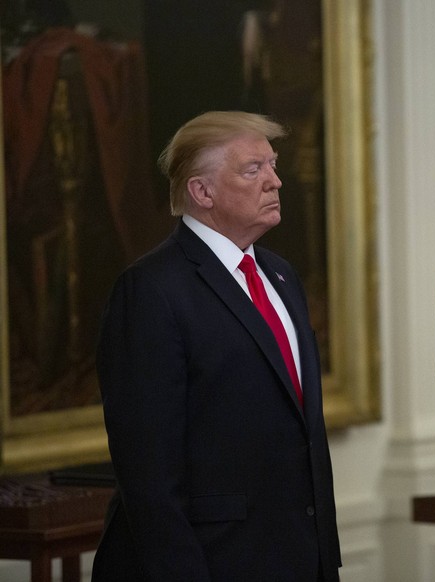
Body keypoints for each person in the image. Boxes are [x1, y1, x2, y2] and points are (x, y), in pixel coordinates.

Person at [92, 111, 341, 581]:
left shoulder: (282, 276)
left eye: (272, 165)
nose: (276, 181)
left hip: (297, 558)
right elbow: (149, 474)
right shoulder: (150, 291)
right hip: (211, 563)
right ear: (201, 192)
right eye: (254, 170)